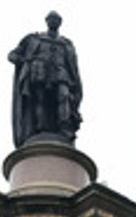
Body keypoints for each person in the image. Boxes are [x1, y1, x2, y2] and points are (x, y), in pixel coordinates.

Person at [8, 10, 83, 147]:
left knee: (64, 96)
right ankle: (40, 127)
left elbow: (73, 66)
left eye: (56, 19)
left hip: (61, 73)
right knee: (39, 100)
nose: (53, 22)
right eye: (51, 19)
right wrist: (24, 61)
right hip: (39, 72)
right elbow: (13, 55)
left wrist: (75, 84)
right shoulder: (34, 39)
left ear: (60, 23)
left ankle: (64, 128)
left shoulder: (66, 43)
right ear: (46, 21)